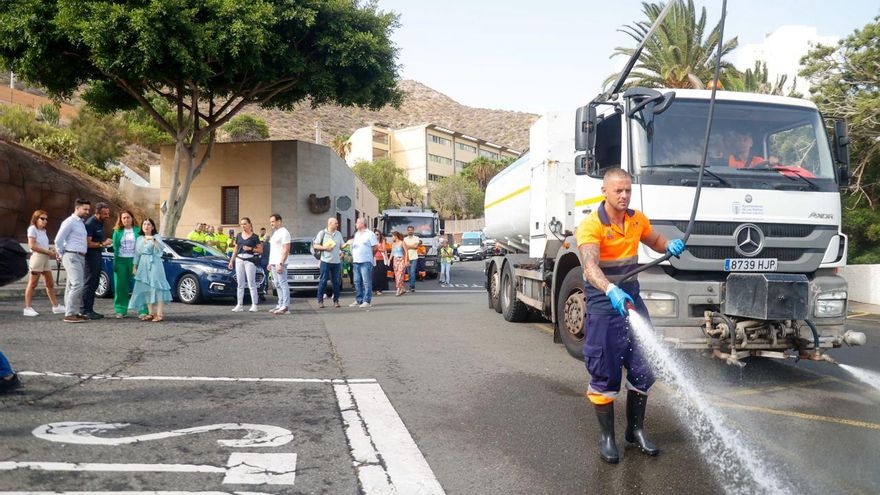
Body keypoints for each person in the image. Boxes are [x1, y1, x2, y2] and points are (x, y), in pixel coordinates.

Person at [576, 168, 686, 464]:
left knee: (643, 365)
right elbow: (590, 266)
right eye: (618, 191)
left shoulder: (637, 219)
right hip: (604, 303)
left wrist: (669, 245)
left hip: (632, 299)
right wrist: (610, 289)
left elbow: (655, 239)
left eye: (628, 190)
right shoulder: (590, 226)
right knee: (605, 369)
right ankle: (607, 437)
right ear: (605, 192)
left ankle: (634, 432)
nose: (624, 196)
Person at [54, 198, 91, 323]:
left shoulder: (80, 223)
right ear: (77, 208)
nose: (87, 212)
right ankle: (70, 314)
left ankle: (73, 312)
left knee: (71, 285)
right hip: (71, 255)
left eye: (88, 210)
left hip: (79, 256)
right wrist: (61, 253)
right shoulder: (69, 222)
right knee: (78, 284)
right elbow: (58, 239)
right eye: (85, 209)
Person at [129, 218, 172, 322]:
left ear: (152, 227)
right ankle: (151, 313)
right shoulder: (139, 239)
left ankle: (160, 314)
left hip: (154, 263)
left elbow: (161, 248)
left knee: (157, 287)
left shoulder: (156, 237)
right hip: (143, 264)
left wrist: (153, 239)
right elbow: (136, 254)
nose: (146, 226)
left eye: (148, 224)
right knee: (146, 288)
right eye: (144, 224)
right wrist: (134, 266)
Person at [23, 210, 64, 317]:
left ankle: (56, 307)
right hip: (37, 258)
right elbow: (32, 246)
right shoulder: (32, 229)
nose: (45, 221)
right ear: (36, 219)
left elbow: (42, 245)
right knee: (33, 284)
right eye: (42, 218)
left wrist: (50, 249)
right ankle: (27, 308)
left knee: (50, 283)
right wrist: (48, 252)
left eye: (46, 219)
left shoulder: (43, 231)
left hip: (45, 258)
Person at [111, 210, 148, 319]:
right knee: (120, 286)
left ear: (132, 218)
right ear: (121, 220)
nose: (126, 220)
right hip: (121, 261)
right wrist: (116, 263)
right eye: (124, 218)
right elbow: (115, 248)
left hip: (135, 261)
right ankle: (121, 310)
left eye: (128, 217)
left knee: (139, 285)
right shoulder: (117, 232)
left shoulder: (138, 231)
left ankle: (142, 310)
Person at [81, 202, 112, 319]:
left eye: (108, 213)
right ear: (97, 213)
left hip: (97, 256)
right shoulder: (90, 223)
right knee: (89, 283)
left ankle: (90, 309)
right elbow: (87, 243)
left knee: (94, 283)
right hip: (90, 258)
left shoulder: (100, 223)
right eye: (105, 214)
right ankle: (84, 310)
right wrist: (102, 244)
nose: (107, 216)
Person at [228, 217, 262, 313]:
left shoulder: (255, 237)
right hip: (239, 259)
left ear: (250, 224)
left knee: (251, 283)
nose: (243, 226)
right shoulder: (238, 236)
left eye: (245, 224)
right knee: (240, 283)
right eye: (242, 224)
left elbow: (260, 250)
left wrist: (250, 248)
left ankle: (254, 304)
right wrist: (231, 261)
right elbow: (235, 249)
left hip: (250, 260)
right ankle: (239, 305)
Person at [344, 218, 378, 308]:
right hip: (356, 261)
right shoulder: (357, 234)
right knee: (356, 281)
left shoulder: (370, 234)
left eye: (357, 222)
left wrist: (370, 256)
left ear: (362, 224)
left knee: (366, 282)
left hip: (365, 261)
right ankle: (359, 299)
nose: (355, 224)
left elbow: (375, 247)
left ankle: (367, 300)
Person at [313, 217, 345, 309]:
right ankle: (320, 301)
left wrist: (347, 245)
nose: (337, 225)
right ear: (330, 223)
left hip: (336, 262)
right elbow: (315, 245)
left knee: (336, 282)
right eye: (336, 223)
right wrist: (325, 248)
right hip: (325, 261)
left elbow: (342, 245)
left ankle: (336, 300)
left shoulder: (338, 234)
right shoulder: (322, 233)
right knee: (323, 281)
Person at [267, 213, 291, 315]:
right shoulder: (276, 233)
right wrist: (270, 262)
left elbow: (286, 250)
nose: (271, 224)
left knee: (282, 284)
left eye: (273, 221)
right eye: (271, 222)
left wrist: (281, 263)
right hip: (273, 262)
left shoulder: (284, 232)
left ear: (279, 221)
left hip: (280, 263)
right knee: (276, 284)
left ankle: (285, 306)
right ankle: (280, 304)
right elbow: (274, 249)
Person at [390, 231, 409, 296]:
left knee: (400, 274)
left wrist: (406, 260)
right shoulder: (393, 244)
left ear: (396, 236)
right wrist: (389, 259)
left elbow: (406, 252)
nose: (392, 238)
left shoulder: (402, 242)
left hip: (401, 259)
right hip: (395, 260)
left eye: (392, 236)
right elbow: (392, 252)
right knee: (396, 275)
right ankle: (402, 288)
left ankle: (398, 289)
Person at [403, 225, 421, 292]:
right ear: (407, 231)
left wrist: (408, 246)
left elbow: (416, 247)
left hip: (414, 257)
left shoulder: (416, 238)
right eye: (409, 230)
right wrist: (411, 246)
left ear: (413, 231)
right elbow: (404, 247)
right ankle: (410, 285)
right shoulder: (405, 239)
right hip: (407, 257)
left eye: (411, 230)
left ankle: (412, 286)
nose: (410, 231)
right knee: (409, 273)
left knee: (412, 272)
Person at [372, 229, 389, 295]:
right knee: (374, 275)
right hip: (374, 259)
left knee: (380, 274)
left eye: (377, 234)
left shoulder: (382, 241)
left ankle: (380, 289)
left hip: (381, 259)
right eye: (375, 234)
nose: (376, 236)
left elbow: (384, 249)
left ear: (380, 235)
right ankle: (374, 289)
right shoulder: (372, 241)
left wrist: (377, 248)